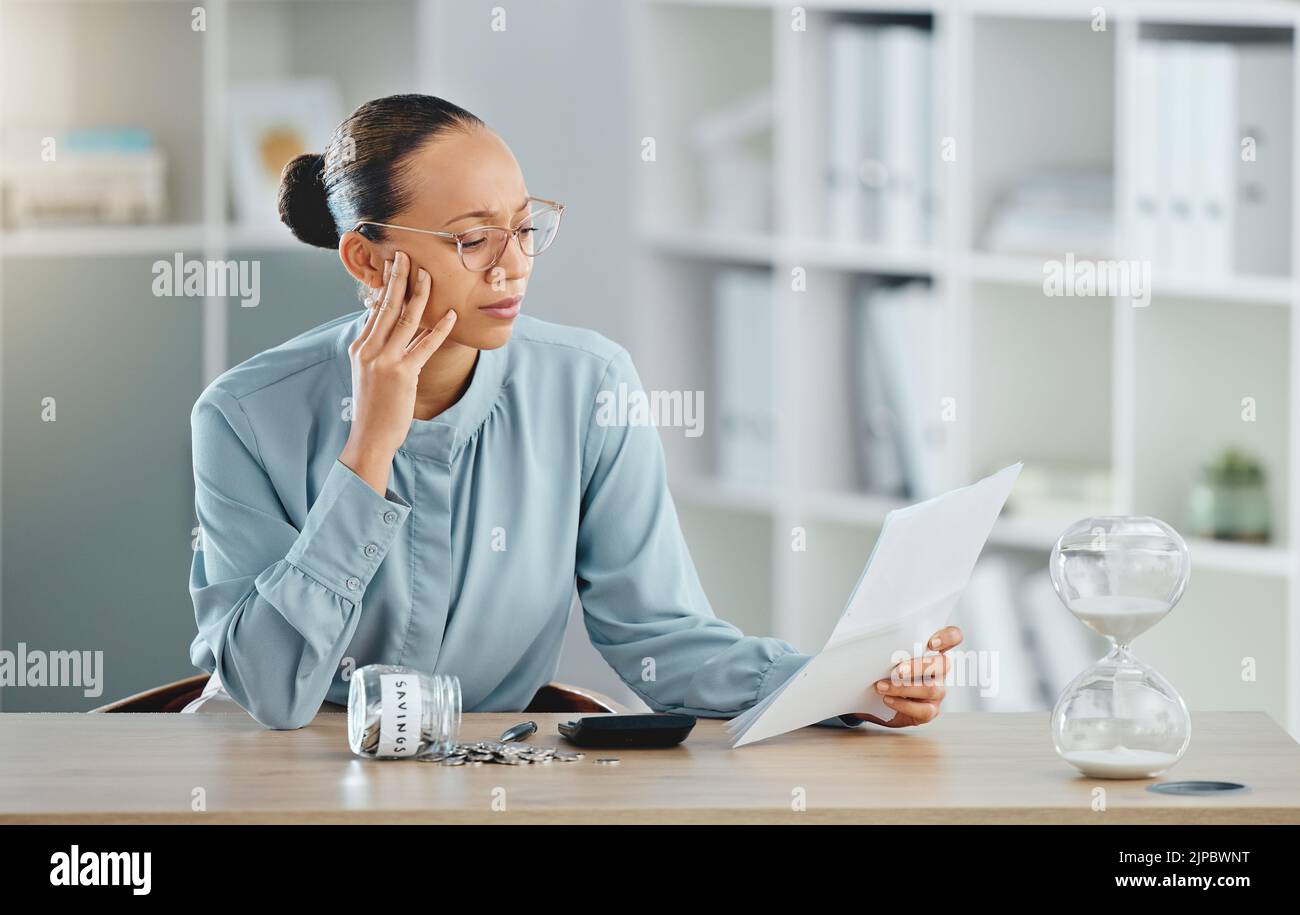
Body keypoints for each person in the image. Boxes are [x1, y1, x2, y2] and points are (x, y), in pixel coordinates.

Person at [186, 93, 959, 730]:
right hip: (266, 784)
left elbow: (664, 638)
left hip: (473, 789)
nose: (513, 265)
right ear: (366, 258)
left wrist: (848, 684)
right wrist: (369, 452)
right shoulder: (242, 417)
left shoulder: (588, 387)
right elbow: (272, 691)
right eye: (473, 240)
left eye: (523, 228)